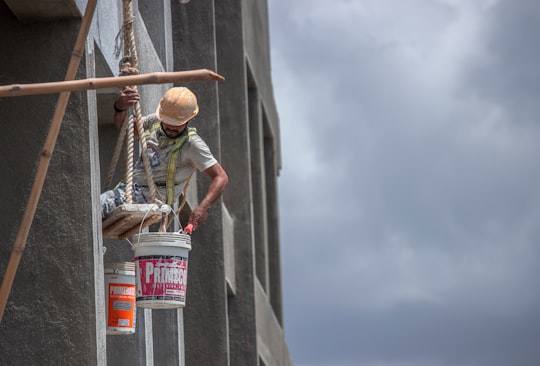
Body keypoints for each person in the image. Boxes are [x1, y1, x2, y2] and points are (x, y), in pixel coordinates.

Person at [100, 86, 228, 232]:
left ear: (188, 120)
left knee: (97, 207)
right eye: (168, 122)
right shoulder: (155, 122)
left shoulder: (192, 145)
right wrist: (119, 107)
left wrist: (203, 207)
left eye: (177, 124)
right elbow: (126, 128)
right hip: (130, 190)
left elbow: (221, 177)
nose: (172, 127)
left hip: (151, 198)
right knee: (95, 211)